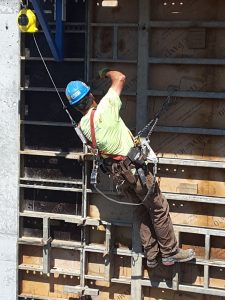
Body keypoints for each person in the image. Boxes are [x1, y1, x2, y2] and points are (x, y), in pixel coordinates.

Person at [65, 69, 195, 268]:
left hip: (120, 177)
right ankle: (169, 252)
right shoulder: (106, 107)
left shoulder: (83, 127)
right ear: (91, 95)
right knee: (159, 208)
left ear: (75, 107)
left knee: (142, 211)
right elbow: (120, 77)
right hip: (135, 173)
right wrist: (103, 72)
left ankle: (151, 256)